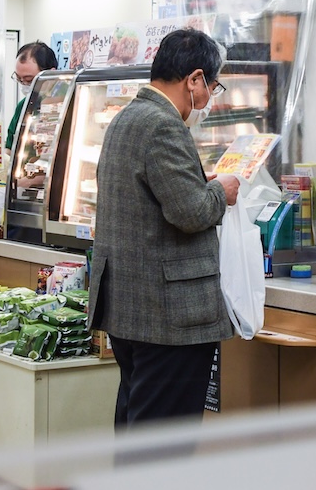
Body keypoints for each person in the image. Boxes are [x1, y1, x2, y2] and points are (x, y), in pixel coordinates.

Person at [87, 28, 241, 428]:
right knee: (163, 441)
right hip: (169, 316)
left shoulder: (125, 119)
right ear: (194, 80)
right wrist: (220, 191)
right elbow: (190, 212)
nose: (209, 98)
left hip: (129, 305)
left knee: (137, 425)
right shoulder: (164, 125)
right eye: (212, 85)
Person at [5, 41, 58, 151]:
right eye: (19, 79)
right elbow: (10, 148)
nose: (24, 85)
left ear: (51, 74)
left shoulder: (68, 101)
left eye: (29, 80)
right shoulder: (23, 106)